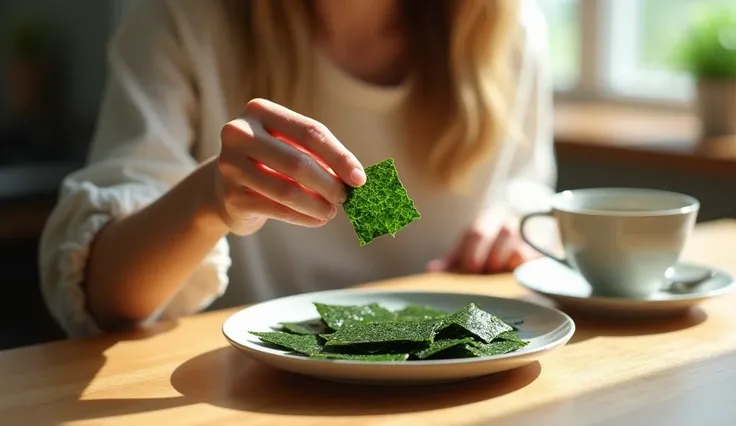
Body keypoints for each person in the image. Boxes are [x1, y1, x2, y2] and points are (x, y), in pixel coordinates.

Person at [39, 0, 556, 337]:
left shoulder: (506, 29)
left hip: (462, 394)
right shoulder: (180, 18)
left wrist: (513, 228)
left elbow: (529, 195)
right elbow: (102, 298)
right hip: (239, 393)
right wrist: (207, 201)